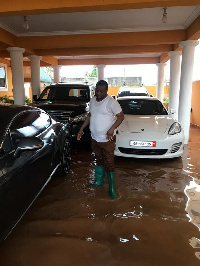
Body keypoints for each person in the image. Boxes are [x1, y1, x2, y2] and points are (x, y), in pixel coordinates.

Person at [77, 80, 124, 198]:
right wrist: (82, 128)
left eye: (101, 91)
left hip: (107, 140)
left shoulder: (112, 102)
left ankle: (111, 189)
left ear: (106, 91)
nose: (98, 93)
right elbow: (90, 115)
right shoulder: (92, 101)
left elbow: (121, 116)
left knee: (109, 163)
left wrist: (112, 129)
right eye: (96, 90)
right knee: (98, 159)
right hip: (94, 138)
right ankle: (99, 181)